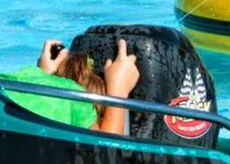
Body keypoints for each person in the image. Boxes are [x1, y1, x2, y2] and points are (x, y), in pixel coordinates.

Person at [0, 38, 139, 134]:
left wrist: (42, 75)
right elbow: (106, 153)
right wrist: (118, 91)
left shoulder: (25, 74)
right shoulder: (75, 100)